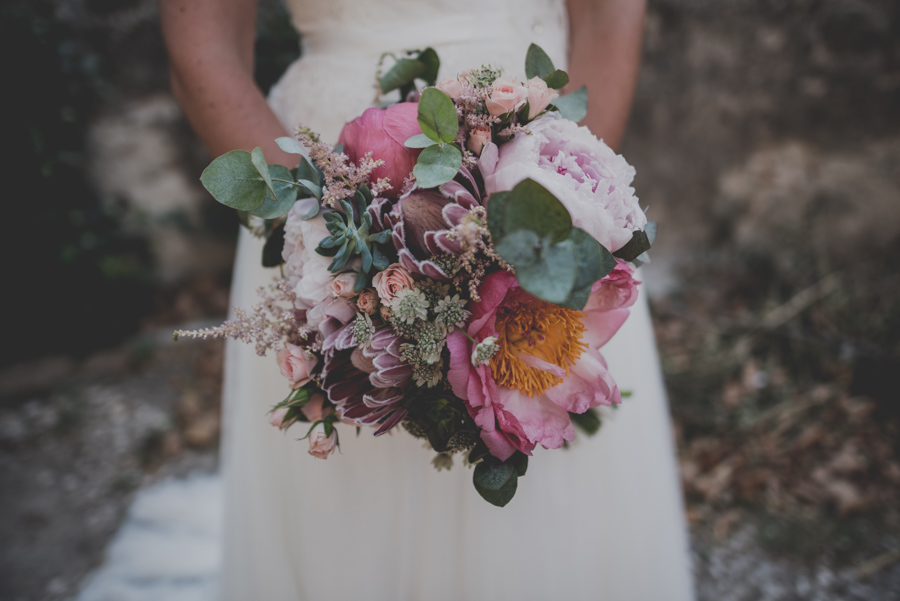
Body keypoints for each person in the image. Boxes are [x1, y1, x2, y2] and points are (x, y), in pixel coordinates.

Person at [160, 0, 696, 599]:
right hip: (323, 199)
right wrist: (328, 237)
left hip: (538, 178)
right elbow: (203, 48)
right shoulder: (323, 234)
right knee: (351, 512)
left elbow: (608, 15)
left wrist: (567, 214)